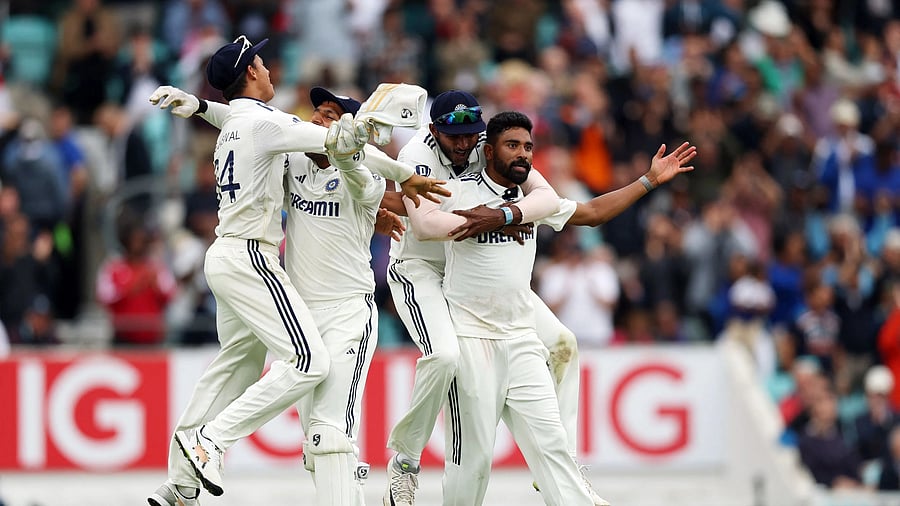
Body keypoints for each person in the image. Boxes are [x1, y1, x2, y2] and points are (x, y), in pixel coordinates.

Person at [145, 36, 444, 506]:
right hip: (251, 258)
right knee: (306, 363)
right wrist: (359, 134)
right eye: (261, 65)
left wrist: (199, 106)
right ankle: (210, 442)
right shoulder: (270, 130)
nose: (269, 71)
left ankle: (180, 482)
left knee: (235, 368)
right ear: (250, 75)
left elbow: (345, 159)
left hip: (241, 261)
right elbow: (337, 141)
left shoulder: (248, 125)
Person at [382, 90, 696, 506]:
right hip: (450, 306)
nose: (523, 154)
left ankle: (568, 461)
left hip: (518, 336)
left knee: (560, 378)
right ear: (488, 150)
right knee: (466, 450)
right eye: (513, 146)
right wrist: (478, 220)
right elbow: (422, 224)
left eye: (528, 147)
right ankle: (404, 461)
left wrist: (648, 180)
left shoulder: (525, 196)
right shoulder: (443, 181)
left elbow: (587, 212)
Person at [381, 90, 574, 505]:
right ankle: (406, 461)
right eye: (455, 138)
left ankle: (560, 464)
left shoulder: (488, 145)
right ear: (435, 131)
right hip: (421, 269)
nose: (465, 145)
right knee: (446, 357)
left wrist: (503, 215)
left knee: (562, 343)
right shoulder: (417, 151)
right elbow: (425, 228)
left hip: (466, 268)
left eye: (472, 136)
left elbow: (548, 198)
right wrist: (491, 221)